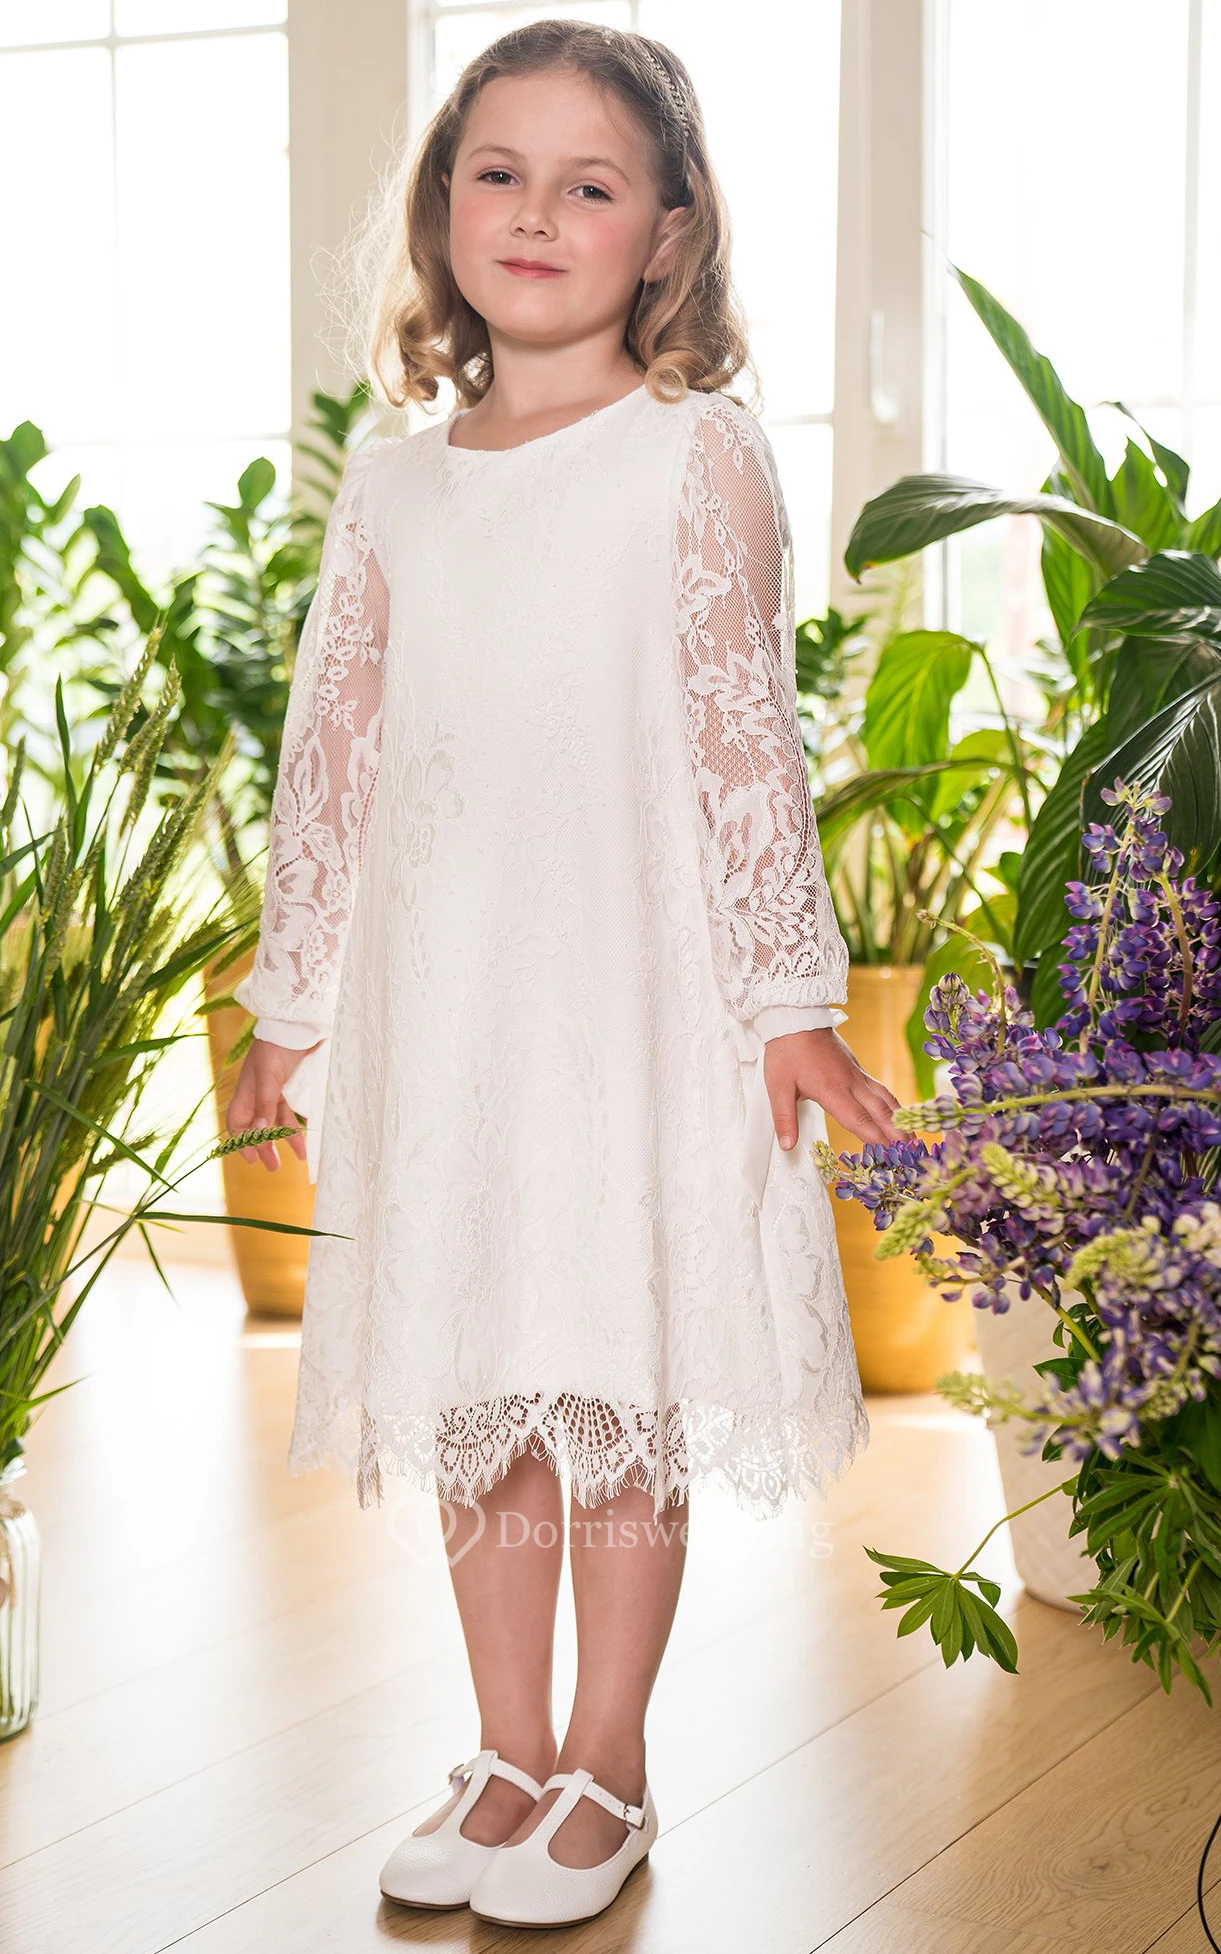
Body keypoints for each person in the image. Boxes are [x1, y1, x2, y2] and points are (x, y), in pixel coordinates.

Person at [225, 19, 901, 1931]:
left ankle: (611, 1755)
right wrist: (289, 1004)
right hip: (448, 1006)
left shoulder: (694, 454)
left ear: (668, 233)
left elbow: (747, 738)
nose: (535, 213)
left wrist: (791, 1000)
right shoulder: (395, 482)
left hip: (628, 992)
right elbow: (334, 749)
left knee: (611, 1368)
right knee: (476, 1378)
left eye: (588, 183)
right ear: (441, 211)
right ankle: (507, 1744)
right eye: (497, 174)